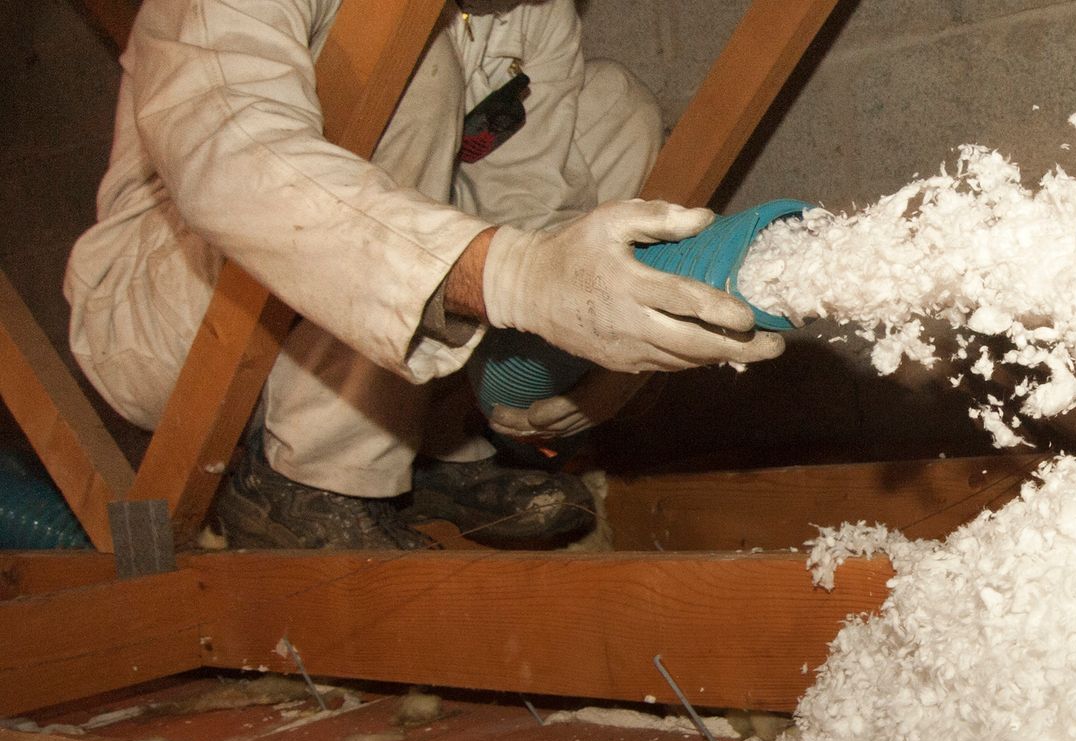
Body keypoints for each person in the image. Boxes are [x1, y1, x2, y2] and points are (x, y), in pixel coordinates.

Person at [64, 0, 784, 548]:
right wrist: (519, 277)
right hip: (183, 313)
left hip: (338, 346)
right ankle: (314, 480)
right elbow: (234, 167)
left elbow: (530, 204)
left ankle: (436, 444)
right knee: (410, 60)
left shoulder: (534, 13)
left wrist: (591, 360)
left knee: (613, 108)